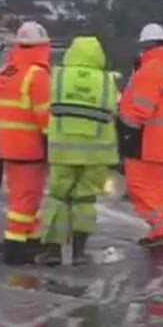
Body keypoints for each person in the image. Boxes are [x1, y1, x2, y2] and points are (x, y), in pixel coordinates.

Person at [37, 35, 119, 266]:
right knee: (84, 201)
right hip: (96, 153)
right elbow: (112, 109)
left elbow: (47, 106)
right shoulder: (106, 81)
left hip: (63, 151)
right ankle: (79, 253)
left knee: (58, 198)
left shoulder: (59, 75)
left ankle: (52, 252)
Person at [117, 22, 163, 247]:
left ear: (146, 45)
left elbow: (141, 108)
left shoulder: (151, 69)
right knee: (158, 188)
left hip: (146, 140)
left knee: (138, 185)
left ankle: (162, 227)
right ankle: (161, 230)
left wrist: (124, 126)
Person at [0, 21, 52, 265]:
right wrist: (51, 144)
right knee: (26, 200)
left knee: (21, 196)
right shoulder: (37, 75)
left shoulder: (7, 71)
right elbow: (44, 116)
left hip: (8, 145)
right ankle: (15, 245)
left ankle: (31, 239)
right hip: (30, 147)